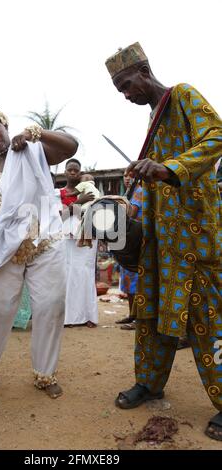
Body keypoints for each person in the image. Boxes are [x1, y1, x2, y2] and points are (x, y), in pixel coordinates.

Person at [105, 42, 222, 440]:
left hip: (197, 236)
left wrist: (169, 167)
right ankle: (150, 383)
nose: (125, 94)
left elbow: (216, 137)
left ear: (144, 69)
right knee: (150, 312)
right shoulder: (153, 121)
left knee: (208, 319)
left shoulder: (183, 95)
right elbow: (154, 183)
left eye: (126, 84)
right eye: (119, 89)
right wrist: (138, 181)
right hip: (162, 240)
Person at [0, 90, 78, 399]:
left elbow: (71, 146)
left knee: (49, 307)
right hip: (2, 248)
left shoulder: (33, 150)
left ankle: (45, 375)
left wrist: (35, 132)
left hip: (43, 243)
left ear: (5, 126)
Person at [60, 159, 98, 328]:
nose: (73, 172)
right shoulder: (59, 193)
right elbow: (60, 216)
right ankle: (69, 317)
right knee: (68, 275)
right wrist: (79, 202)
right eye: (70, 169)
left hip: (88, 235)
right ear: (65, 172)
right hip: (67, 238)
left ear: (80, 172)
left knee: (86, 273)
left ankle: (89, 315)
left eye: (76, 170)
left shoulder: (91, 190)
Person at [116, 174, 142, 330]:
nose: (127, 178)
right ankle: (132, 315)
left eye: (131, 176)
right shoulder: (126, 194)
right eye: (125, 175)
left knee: (137, 282)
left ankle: (138, 318)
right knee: (127, 280)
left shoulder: (139, 191)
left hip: (136, 239)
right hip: (127, 239)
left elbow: (131, 214)